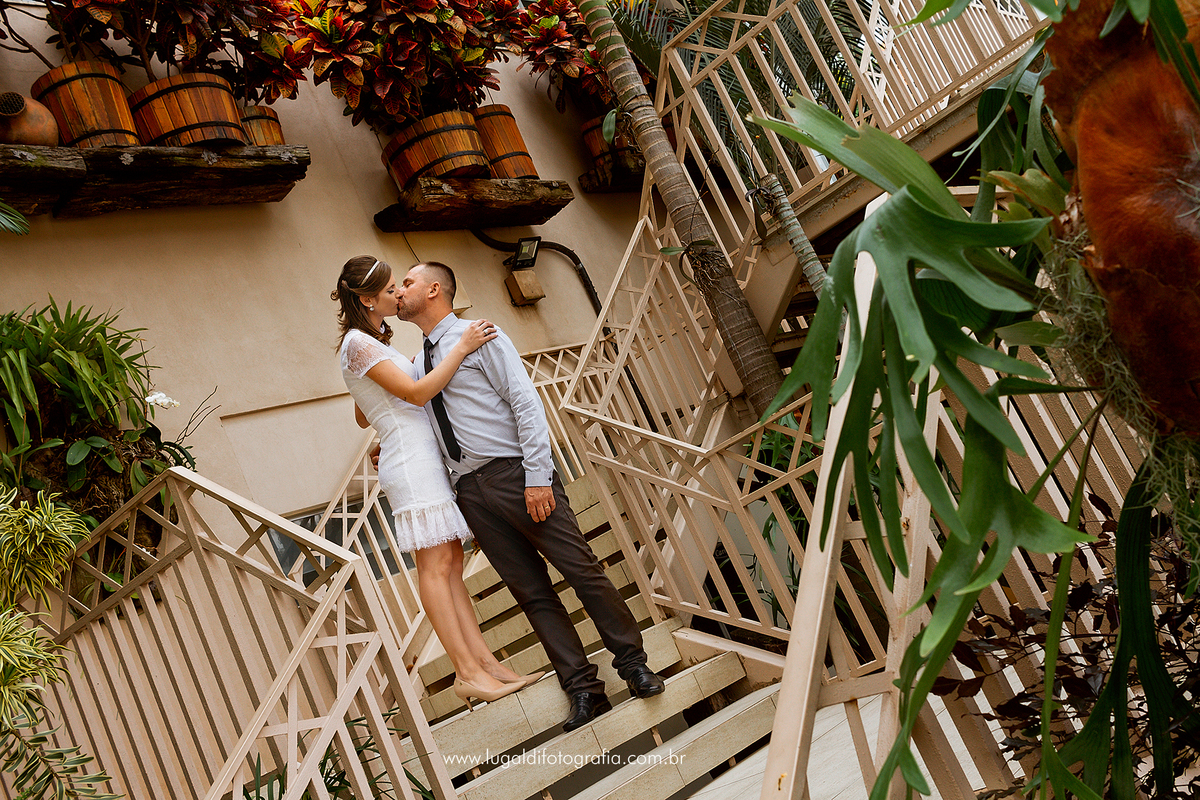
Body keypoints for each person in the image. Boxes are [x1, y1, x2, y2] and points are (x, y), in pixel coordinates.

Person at [396, 260, 666, 733]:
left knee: (582, 571)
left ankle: (634, 665)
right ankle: (583, 690)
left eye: (408, 282)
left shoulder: (482, 335)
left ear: (435, 288)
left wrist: (538, 476)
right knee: (532, 594)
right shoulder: (419, 363)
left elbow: (526, 402)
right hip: (472, 494)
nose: (399, 290)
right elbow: (434, 423)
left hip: (516, 475)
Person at [332, 255, 543, 708]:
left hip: (418, 457)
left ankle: (486, 663)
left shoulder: (372, 343)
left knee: (450, 562)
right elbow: (416, 393)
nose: (398, 294)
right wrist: (460, 349)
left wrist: (389, 423)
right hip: (412, 465)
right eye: (390, 290)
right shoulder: (356, 343)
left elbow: (361, 408)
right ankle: (466, 672)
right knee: (436, 567)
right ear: (367, 299)